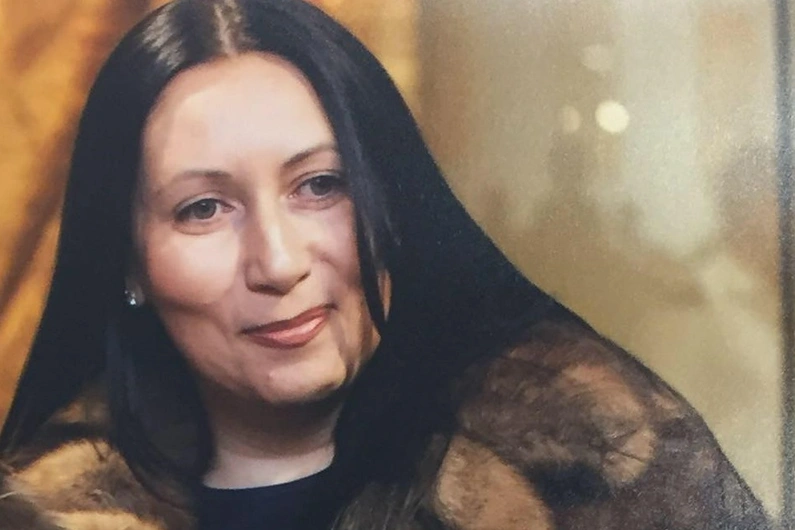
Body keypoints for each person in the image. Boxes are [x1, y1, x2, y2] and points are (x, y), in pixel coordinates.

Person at [0, 0, 773, 529]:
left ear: (394, 204)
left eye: (319, 186)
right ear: (129, 264)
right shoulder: (34, 510)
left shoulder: (594, 470)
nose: (277, 262)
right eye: (203, 208)